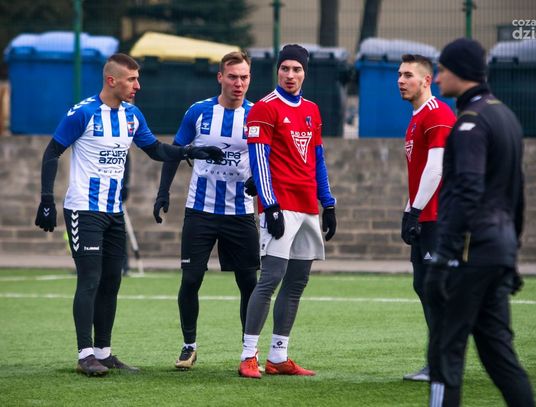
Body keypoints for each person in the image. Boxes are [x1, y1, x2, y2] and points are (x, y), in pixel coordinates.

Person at [34, 53, 224, 377]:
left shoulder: (132, 115)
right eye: (132, 80)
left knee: (112, 280)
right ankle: (85, 355)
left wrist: (189, 151)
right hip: (84, 209)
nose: (138, 86)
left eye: (138, 79)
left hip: (114, 212)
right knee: (90, 279)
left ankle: (103, 353)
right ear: (112, 81)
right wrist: (46, 199)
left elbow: (155, 149)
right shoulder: (83, 113)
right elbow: (52, 152)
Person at [426, 38, 535, 406]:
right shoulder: (505, 116)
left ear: (460, 72)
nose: (437, 78)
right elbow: (516, 194)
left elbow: (467, 192)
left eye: (442, 70)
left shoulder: (470, 122)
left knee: (445, 350)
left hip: (471, 254)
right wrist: (511, 254)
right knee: (499, 353)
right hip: (498, 250)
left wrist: (444, 256)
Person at [153, 51, 259, 370]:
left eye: (244, 77)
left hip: (241, 212)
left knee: (249, 283)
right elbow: (174, 151)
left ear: (250, 79)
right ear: (220, 77)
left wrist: (260, 184)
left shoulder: (256, 114)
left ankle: (249, 352)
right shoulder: (198, 112)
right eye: (232, 76)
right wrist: (163, 192)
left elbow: (267, 158)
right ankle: (189, 346)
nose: (238, 83)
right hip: (200, 211)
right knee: (191, 279)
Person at [238, 44, 337, 379]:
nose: (290, 75)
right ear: (277, 70)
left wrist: (328, 203)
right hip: (280, 206)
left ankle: (278, 356)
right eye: (285, 69)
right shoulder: (264, 108)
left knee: (297, 282)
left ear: (305, 73)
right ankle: (248, 355)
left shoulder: (312, 110)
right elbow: (259, 160)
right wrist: (270, 205)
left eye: (297, 69)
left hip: (308, 207)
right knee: (270, 279)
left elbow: (318, 159)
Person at [397, 54, 455, 382]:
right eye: (400, 75)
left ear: (426, 80)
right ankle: (439, 360)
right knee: (423, 286)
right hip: (424, 217)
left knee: (437, 290)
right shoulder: (416, 117)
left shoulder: (437, 114)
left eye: (408, 75)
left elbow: (436, 168)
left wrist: (416, 211)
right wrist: (409, 211)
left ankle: (442, 363)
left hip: (439, 218)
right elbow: (419, 173)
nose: (401, 81)